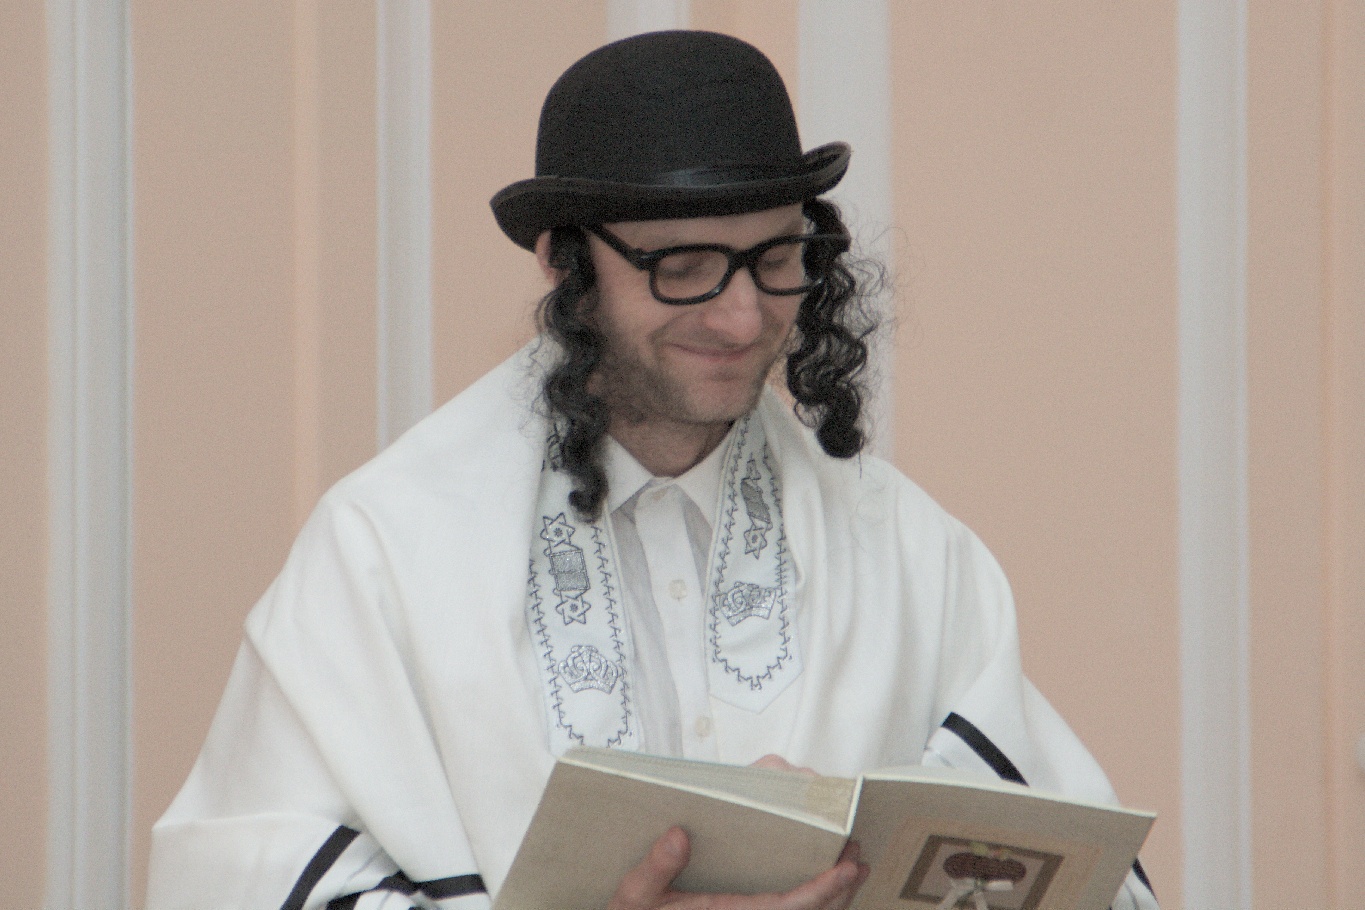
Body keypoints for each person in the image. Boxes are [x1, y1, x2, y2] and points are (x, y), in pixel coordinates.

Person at [146, 30, 1158, 910]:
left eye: (775, 259)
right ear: (564, 261)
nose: (742, 317)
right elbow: (236, 883)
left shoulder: (907, 554)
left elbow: (1092, 879)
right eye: (684, 267)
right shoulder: (385, 554)